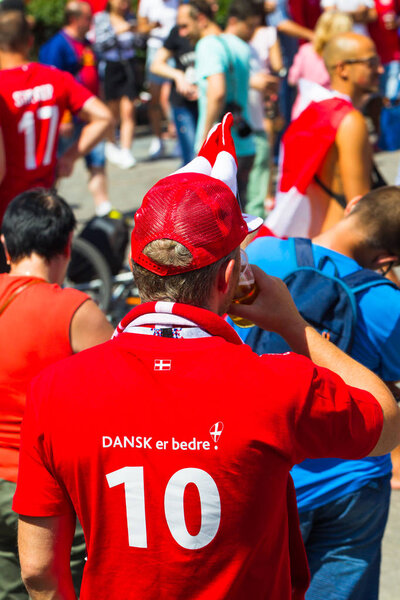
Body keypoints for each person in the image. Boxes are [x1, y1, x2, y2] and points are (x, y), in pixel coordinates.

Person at [11, 115, 400, 600]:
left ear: (136, 269)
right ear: (231, 276)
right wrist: (292, 324)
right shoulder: (279, 384)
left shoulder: (56, 388)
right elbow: (385, 422)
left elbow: (39, 569)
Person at [236, 185, 400, 599]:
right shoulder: (386, 303)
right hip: (352, 484)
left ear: (353, 205)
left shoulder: (260, 259)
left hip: (270, 475)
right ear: (387, 261)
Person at [0, 188, 114, 599]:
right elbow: (120, 401)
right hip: (46, 493)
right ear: (67, 246)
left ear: (5, 246)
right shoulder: (76, 311)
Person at [0, 10, 112, 229]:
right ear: (29, 41)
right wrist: (69, 158)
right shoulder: (56, 78)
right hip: (45, 199)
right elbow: (104, 117)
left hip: (7, 209)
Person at [266, 32, 383, 238]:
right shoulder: (350, 120)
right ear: (343, 69)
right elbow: (361, 210)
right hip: (343, 246)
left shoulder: (315, 111)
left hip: (316, 240)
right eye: (371, 63)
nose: (380, 69)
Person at [179, 0, 259, 210]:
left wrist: (204, 138)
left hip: (219, 149)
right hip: (244, 142)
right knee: (243, 215)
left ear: (201, 19)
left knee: (218, 222)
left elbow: (217, 91)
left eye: (186, 25)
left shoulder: (207, 45)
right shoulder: (239, 44)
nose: (183, 33)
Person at [39, 1, 113, 216]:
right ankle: (45, 208)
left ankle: (103, 207)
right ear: (74, 18)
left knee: (97, 162)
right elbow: (51, 85)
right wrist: (64, 118)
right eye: (88, 18)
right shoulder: (56, 46)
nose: (91, 22)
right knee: (56, 168)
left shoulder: (87, 43)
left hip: (92, 118)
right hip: (69, 119)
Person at [93, 0, 140, 170]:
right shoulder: (101, 18)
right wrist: (118, 32)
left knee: (129, 110)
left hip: (128, 66)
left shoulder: (131, 17)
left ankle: (126, 149)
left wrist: (140, 31)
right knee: (111, 111)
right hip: (110, 67)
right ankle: (112, 144)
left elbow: (139, 43)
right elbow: (98, 45)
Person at [150, 9, 198, 166]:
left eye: (185, 26)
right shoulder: (176, 33)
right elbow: (156, 65)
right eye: (179, 26)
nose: (182, 32)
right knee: (191, 158)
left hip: (208, 103)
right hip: (183, 103)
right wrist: (177, 75)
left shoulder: (213, 36)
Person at [288, 11, 353, 120]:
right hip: (332, 114)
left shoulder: (305, 50)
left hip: (304, 111)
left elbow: (292, 79)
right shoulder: (342, 57)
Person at [137, 0, 179, 160]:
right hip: (156, 48)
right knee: (155, 99)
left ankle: (177, 138)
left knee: (169, 97)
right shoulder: (147, 2)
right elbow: (141, 27)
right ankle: (158, 139)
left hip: (174, 49)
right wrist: (152, 26)